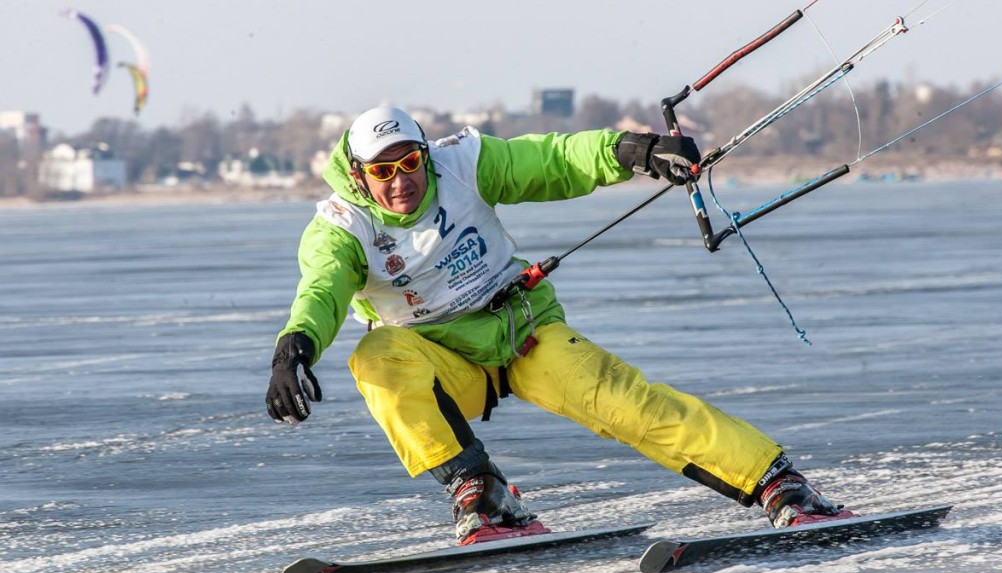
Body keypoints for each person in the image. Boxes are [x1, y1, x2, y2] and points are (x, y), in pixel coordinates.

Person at [266, 105, 853, 544]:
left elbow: (551, 159)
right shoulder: (341, 228)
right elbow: (322, 289)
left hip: (523, 334)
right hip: (441, 363)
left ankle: (778, 483)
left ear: (425, 154)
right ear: (358, 174)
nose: (401, 180)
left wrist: (632, 150)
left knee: (629, 404)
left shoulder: (464, 165)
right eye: (384, 170)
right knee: (374, 358)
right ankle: (483, 494)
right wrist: (295, 347)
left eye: (411, 162)